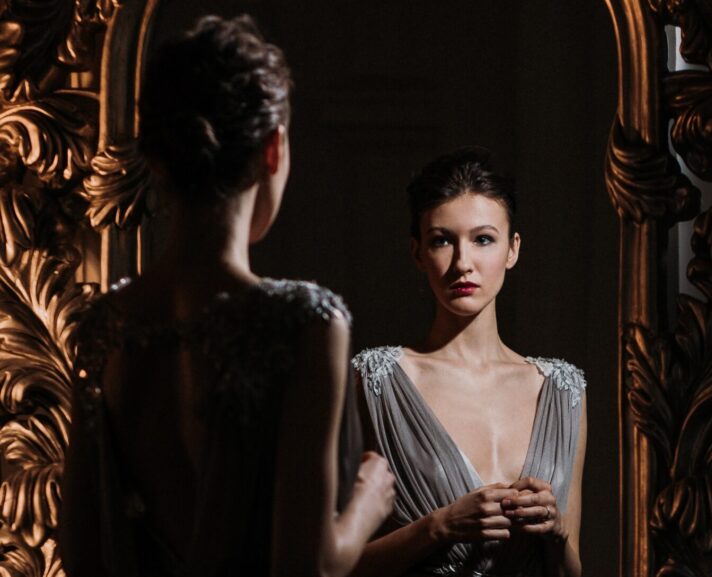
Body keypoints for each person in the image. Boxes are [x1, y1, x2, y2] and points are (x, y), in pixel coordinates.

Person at [58, 15, 394, 577]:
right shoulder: (305, 322)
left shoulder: (103, 326)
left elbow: (82, 554)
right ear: (273, 148)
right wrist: (368, 498)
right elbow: (308, 567)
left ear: (158, 155)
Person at [350, 147, 587, 577]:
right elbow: (329, 564)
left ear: (512, 249)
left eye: (483, 239)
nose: (463, 263)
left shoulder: (563, 390)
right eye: (442, 240)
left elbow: (571, 573)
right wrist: (440, 526)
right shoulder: (375, 383)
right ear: (417, 252)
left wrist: (557, 534)